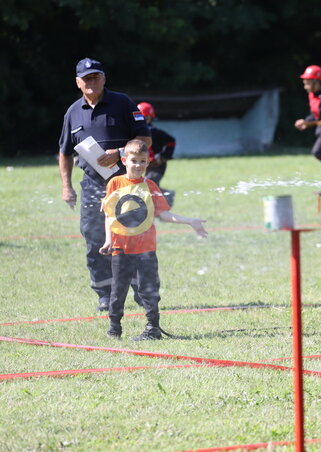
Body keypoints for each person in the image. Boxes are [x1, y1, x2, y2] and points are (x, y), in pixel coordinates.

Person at [58, 58, 151, 312]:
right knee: (94, 237)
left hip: (127, 184)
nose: (92, 82)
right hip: (92, 185)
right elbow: (65, 152)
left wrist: (119, 151)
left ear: (104, 78)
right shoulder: (73, 112)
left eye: (96, 77)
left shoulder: (123, 103)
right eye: (86, 79)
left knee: (133, 237)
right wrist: (67, 186)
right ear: (78, 83)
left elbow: (145, 139)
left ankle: (141, 292)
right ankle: (104, 293)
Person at [100, 140, 207, 340]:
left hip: (146, 249)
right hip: (120, 248)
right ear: (124, 160)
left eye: (143, 161)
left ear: (148, 162)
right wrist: (108, 240)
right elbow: (109, 215)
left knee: (149, 289)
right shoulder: (114, 184)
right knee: (118, 290)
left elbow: (165, 214)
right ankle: (114, 328)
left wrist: (189, 221)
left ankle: (153, 329)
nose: (138, 165)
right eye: (134, 161)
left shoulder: (150, 186)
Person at [137, 101, 176, 206]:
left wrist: (164, 156)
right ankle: (154, 209)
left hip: (158, 164)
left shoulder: (154, 132)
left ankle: (167, 197)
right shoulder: (136, 132)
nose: (143, 121)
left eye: (145, 118)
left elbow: (171, 141)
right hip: (145, 164)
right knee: (149, 185)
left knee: (149, 184)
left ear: (150, 118)